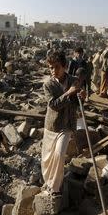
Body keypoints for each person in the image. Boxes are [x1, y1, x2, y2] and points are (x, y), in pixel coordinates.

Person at [42, 51, 85, 195]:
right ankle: (48, 181)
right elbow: (53, 104)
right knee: (48, 160)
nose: (53, 71)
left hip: (67, 125)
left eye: (56, 67)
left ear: (64, 66)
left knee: (60, 155)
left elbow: (77, 102)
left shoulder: (74, 81)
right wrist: (68, 93)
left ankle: (54, 188)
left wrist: (82, 97)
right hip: (52, 126)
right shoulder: (48, 85)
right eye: (50, 68)